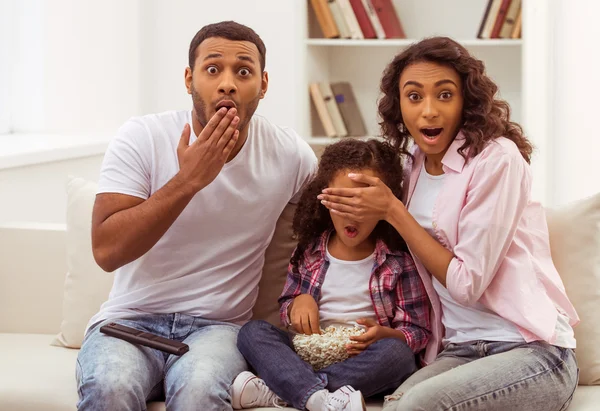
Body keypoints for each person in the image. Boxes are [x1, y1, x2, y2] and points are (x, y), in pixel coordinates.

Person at [318, 37, 580, 411]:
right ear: (399, 106)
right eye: (414, 96)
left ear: (466, 101)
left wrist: (394, 211)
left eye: (444, 95)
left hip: (529, 350)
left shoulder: (497, 160)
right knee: (394, 406)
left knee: (415, 407)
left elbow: (467, 284)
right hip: (459, 349)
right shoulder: (410, 166)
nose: (429, 111)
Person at [75, 21, 317, 411]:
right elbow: (106, 251)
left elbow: (325, 234)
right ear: (189, 79)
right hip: (130, 321)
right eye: (212, 69)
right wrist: (188, 181)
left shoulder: (290, 155)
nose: (227, 84)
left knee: (200, 391)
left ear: (264, 84)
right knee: (111, 387)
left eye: (243, 71)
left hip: (218, 329)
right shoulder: (143, 136)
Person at [230, 139, 431, 411]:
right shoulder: (310, 251)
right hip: (306, 352)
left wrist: (386, 335)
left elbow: (418, 332)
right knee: (253, 332)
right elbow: (288, 304)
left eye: (363, 203)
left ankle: (292, 391)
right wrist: (297, 304)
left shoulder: (399, 262)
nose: (353, 213)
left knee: (400, 357)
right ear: (325, 199)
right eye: (342, 201)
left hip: (363, 358)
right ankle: (321, 399)